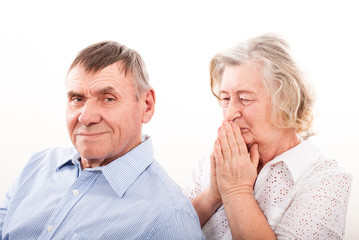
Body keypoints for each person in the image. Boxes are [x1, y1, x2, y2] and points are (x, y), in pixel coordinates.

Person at [0, 41, 205, 239]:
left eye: (108, 98)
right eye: (77, 99)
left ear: (147, 106)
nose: (86, 117)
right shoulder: (36, 166)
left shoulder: (169, 218)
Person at [183, 34, 352, 239]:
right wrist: (212, 196)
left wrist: (236, 191)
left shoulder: (326, 177)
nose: (229, 114)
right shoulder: (218, 158)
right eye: (226, 98)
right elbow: (166, 229)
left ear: (286, 100)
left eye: (244, 99)